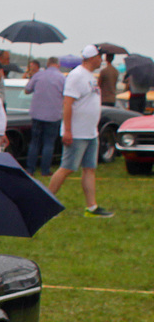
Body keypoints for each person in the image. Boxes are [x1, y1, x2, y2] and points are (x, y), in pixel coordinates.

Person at [49, 45, 113, 218]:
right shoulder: (76, 76)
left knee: (89, 168)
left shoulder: (90, 77)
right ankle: (46, 204)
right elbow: (68, 103)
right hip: (77, 132)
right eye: (100, 57)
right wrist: (68, 130)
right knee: (67, 168)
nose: (101, 60)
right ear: (92, 57)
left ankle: (91, 207)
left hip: (90, 132)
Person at [24, 57, 65, 175]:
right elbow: (66, 94)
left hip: (37, 114)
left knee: (35, 142)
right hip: (53, 115)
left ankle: (30, 169)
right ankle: (45, 169)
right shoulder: (62, 78)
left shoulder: (38, 75)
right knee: (49, 143)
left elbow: (27, 90)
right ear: (58, 65)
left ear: (47, 64)